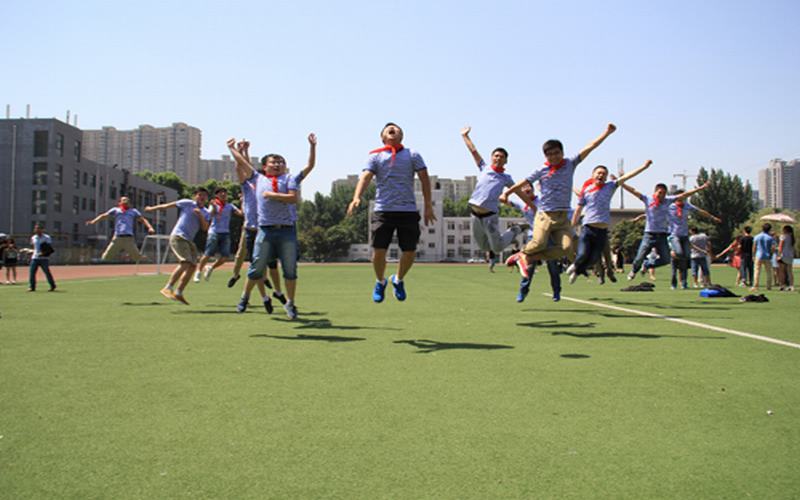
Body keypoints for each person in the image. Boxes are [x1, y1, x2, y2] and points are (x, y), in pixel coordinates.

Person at [500, 124, 617, 285]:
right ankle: (524, 254)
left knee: (567, 249)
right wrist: (507, 192)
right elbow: (524, 182)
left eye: (556, 153)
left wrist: (606, 133)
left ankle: (527, 256)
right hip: (545, 215)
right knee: (539, 243)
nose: (554, 157)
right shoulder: (542, 170)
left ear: (562, 152)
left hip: (562, 218)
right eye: (550, 155)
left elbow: (590, 147)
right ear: (545, 156)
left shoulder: (570, 163)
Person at [227, 133, 316, 318]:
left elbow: (293, 198)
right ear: (265, 166)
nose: (277, 164)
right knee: (256, 267)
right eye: (273, 162)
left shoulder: (289, 179)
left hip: (287, 230)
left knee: (290, 269)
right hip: (265, 230)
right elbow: (242, 164)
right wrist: (232, 148)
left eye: (281, 162)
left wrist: (312, 147)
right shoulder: (258, 179)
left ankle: (290, 304)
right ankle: (245, 296)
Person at [347, 123, 435, 303]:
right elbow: (365, 177)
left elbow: (425, 179)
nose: (392, 130)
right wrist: (356, 197)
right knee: (379, 251)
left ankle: (398, 279)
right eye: (388, 129)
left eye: (396, 128)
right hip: (383, 210)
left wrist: (428, 206)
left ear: (402, 136)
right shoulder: (375, 156)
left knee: (409, 251)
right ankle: (380, 281)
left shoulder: (413, 155)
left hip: (408, 210)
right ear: (382, 137)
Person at [567, 159, 652, 284]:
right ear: (593, 175)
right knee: (582, 254)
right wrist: (571, 227)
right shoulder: (586, 191)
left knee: (594, 258)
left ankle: (578, 270)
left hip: (602, 231)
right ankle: (577, 267)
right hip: (588, 228)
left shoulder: (610, 186)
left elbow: (627, 176)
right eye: (598, 173)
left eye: (603, 174)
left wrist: (643, 167)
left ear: (606, 177)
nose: (601, 175)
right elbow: (578, 210)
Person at [460, 126, 528, 271]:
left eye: (501, 157)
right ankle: (512, 232)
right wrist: (465, 136)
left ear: (506, 161)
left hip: (490, 216)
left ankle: (516, 229)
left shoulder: (506, 178)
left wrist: (531, 205)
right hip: (475, 215)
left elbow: (519, 192)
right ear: (492, 158)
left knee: (497, 248)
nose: (498, 158)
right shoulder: (484, 168)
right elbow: (473, 151)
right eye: (496, 156)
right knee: (484, 246)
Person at [622, 181, 711, 279]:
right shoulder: (647, 199)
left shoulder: (668, 200)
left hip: (662, 235)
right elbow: (634, 191)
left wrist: (701, 188)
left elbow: (684, 194)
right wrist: (621, 183)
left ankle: (647, 264)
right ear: (655, 192)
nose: (662, 195)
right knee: (639, 257)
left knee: (666, 259)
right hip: (649, 234)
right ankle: (634, 270)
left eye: (664, 193)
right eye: (660, 193)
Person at [145, 188, 211, 305]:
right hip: (178, 236)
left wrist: (200, 215)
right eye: (199, 195)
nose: (202, 197)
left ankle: (179, 292)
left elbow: (205, 228)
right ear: (195, 196)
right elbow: (167, 206)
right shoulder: (187, 203)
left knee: (192, 266)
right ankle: (168, 287)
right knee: (185, 262)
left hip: (189, 240)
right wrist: (151, 209)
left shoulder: (206, 212)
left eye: (204, 196)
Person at [666, 190, 722, 289]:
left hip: (684, 236)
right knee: (678, 255)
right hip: (674, 235)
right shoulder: (669, 206)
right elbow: (657, 212)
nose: (684, 199)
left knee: (686, 257)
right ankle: (672, 252)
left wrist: (712, 217)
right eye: (683, 197)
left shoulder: (687, 206)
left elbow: (700, 211)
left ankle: (684, 283)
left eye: (686, 198)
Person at [86, 196, 155, 262]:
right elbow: (104, 216)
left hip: (129, 239)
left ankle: (149, 260)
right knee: (105, 257)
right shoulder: (115, 210)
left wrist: (150, 227)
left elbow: (143, 220)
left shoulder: (133, 211)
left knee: (137, 257)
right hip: (117, 238)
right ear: (119, 202)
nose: (126, 201)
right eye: (123, 200)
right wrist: (93, 221)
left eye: (127, 200)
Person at [194, 187, 243, 282]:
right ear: (217, 195)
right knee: (208, 253)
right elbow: (209, 216)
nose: (223, 195)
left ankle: (211, 268)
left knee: (225, 257)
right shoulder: (214, 204)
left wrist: (243, 202)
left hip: (225, 233)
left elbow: (241, 214)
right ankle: (198, 271)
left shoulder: (230, 206)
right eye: (221, 193)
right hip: (214, 231)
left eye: (225, 193)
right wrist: (213, 208)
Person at [24, 224, 57, 292]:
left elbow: (49, 248)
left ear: (42, 229)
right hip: (35, 258)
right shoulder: (33, 237)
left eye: (38, 228)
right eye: (36, 228)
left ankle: (52, 285)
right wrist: (30, 251)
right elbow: (34, 248)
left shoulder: (46, 237)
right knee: (32, 273)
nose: (37, 230)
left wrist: (43, 253)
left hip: (44, 258)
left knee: (47, 272)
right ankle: (32, 287)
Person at [750, 223, 775, 291]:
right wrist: (771, 255)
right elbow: (773, 248)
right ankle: (769, 286)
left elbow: (754, 247)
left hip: (759, 255)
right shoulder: (770, 238)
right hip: (767, 256)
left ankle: (755, 286)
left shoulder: (757, 236)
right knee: (769, 272)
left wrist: (753, 255)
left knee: (757, 271)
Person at [778, 225, 795, 291]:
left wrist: (778, 254)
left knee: (782, 271)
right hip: (790, 255)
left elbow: (780, 246)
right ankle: (791, 285)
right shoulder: (791, 237)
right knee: (789, 271)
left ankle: (782, 285)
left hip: (783, 255)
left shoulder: (783, 236)